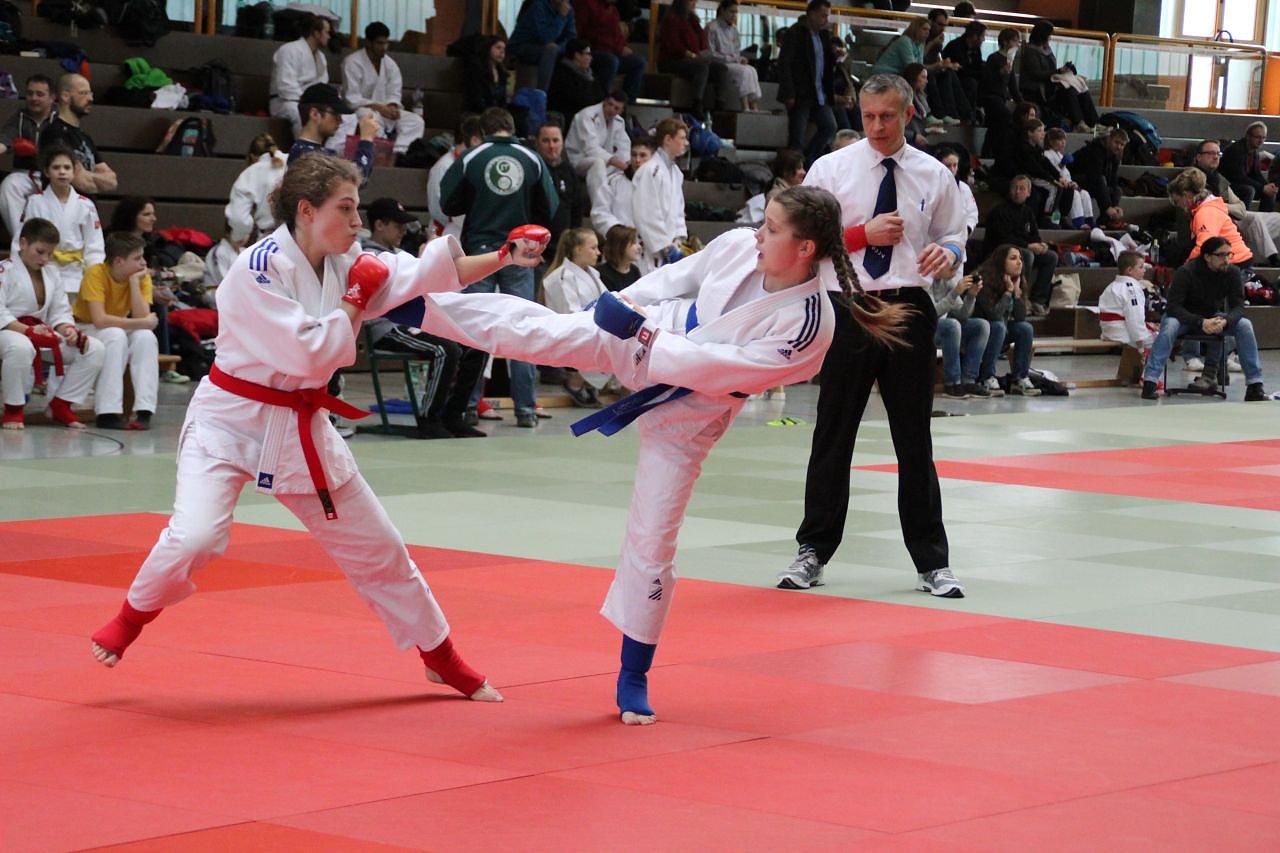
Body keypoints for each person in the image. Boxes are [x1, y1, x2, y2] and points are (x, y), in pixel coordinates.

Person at [420, 185, 906, 724]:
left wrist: (641, 331)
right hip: (652, 331)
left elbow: (717, 371)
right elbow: (676, 278)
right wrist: (626, 304)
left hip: (689, 412)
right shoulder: (738, 247)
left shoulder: (810, 326)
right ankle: (413, 305)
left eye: (771, 229)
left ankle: (634, 673)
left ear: (805, 248)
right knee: (539, 330)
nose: (757, 236)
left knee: (652, 539)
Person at [87, 153, 552, 698]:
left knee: (379, 547)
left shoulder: (344, 258)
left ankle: (439, 654)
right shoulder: (256, 270)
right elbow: (310, 354)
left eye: (357, 209)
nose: (357, 221)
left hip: (300, 427)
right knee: (196, 536)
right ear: (307, 211)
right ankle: (131, 617)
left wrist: (504, 256)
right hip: (229, 421)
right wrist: (355, 301)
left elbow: (419, 275)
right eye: (346, 209)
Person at [778, 73, 968, 599]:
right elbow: (804, 242)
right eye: (868, 116)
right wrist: (864, 234)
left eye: (887, 116)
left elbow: (955, 234)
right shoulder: (831, 169)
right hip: (848, 303)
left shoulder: (934, 174)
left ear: (909, 114)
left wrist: (950, 253)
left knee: (914, 438)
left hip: (909, 306)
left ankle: (932, 562)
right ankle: (812, 550)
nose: (878, 126)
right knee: (833, 432)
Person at [440, 107, 558, 428]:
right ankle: (526, 408)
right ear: (511, 128)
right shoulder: (531, 158)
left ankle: (466, 405)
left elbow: (448, 203)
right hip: (520, 248)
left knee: (475, 327)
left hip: (480, 250)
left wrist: (477, 200)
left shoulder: (471, 157)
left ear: (484, 129)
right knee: (522, 326)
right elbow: (550, 206)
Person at [360, 196, 487, 439]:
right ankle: (429, 419)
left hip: (415, 320)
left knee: (475, 344)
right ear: (379, 225)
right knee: (445, 350)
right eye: (397, 225)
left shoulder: (400, 254)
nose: (403, 230)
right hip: (387, 326)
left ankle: (453, 415)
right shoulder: (367, 256)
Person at [0, 217, 104, 430]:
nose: (45, 259)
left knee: (93, 348)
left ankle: (61, 404)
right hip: (8, 331)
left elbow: (60, 311)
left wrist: (67, 329)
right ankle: (13, 410)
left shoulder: (52, 273)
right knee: (21, 346)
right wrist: (28, 331)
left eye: (50, 253)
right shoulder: (4, 270)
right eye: (40, 252)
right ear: (23, 243)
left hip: (40, 332)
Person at [1140, 236, 1267, 401]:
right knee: (1169, 326)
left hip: (1212, 316)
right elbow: (1173, 307)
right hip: (1182, 317)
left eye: (1229, 254)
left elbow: (1238, 307)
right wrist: (1201, 322)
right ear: (1207, 257)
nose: (1227, 259)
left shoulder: (1232, 272)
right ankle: (1150, 381)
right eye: (1221, 255)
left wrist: (1226, 321)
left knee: (1245, 325)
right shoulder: (1186, 271)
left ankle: (1255, 385)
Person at [72, 232, 159, 430]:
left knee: (145, 337)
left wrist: (134, 283)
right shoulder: (95, 274)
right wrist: (142, 322)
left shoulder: (140, 276)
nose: (143, 263)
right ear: (119, 261)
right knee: (115, 335)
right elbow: (100, 320)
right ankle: (107, 412)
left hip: (117, 325)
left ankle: (144, 410)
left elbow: (141, 317)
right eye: (137, 258)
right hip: (86, 327)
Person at [106, 197, 190, 385]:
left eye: (153, 213)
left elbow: (145, 274)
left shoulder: (148, 242)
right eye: (146, 214)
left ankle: (164, 363)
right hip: (115, 291)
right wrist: (149, 289)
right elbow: (117, 273)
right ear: (132, 216)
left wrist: (158, 288)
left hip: (137, 288)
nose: (153, 218)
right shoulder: (113, 240)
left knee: (160, 305)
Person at [16, 145, 104, 302]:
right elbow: (22, 240)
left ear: (74, 172)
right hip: (44, 269)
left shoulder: (85, 205)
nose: (62, 172)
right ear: (46, 172)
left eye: (67, 167)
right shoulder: (36, 202)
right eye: (56, 167)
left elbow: (94, 244)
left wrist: (93, 275)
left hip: (76, 274)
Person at [541, 226, 606, 406]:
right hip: (569, 331)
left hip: (592, 326)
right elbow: (569, 315)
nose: (598, 252)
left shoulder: (593, 274)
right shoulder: (561, 277)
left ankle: (584, 383)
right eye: (593, 248)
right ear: (578, 250)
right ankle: (575, 382)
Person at [341, 21, 426, 155]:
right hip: (363, 110)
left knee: (416, 121)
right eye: (380, 43)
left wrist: (393, 106)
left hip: (386, 112)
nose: (384, 47)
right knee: (367, 117)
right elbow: (351, 98)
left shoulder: (390, 64)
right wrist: (378, 107)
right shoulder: (352, 62)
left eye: (386, 43)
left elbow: (394, 92)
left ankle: (399, 153)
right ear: (368, 43)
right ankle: (379, 151)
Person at [1192, 139, 1280, 266]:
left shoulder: (1218, 178)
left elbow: (1240, 207)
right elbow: (1201, 205)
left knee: (1277, 219)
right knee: (1253, 219)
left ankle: (1263, 259)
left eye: (1218, 153)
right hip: (1214, 222)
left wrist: (1221, 205)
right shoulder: (1191, 178)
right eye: (1210, 153)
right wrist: (1221, 207)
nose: (1215, 157)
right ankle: (1272, 259)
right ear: (1198, 157)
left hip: (1231, 216)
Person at [981, 174, 1059, 315]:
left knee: (1051, 257)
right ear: (1009, 190)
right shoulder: (999, 211)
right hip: (998, 252)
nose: (1017, 192)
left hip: (1022, 249)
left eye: (1022, 189)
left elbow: (1034, 235)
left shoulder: (1028, 212)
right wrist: (1028, 246)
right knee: (1026, 256)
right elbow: (1004, 238)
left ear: (1028, 193)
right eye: (1015, 188)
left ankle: (1038, 300)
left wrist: (1041, 245)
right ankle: (1022, 299)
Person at [973, 244, 1039, 396]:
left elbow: (1021, 317)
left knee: (1025, 328)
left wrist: (1016, 293)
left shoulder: (1016, 280)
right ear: (1001, 261)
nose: (1019, 262)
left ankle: (1019, 378)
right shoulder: (984, 279)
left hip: (1000, 330)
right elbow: (994, 315)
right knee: (998, 326)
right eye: (1013, 258)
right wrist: (1008, 292)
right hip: (979, 333)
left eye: (1020, 258)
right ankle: (986, 377)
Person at [777, 0, 837, 166]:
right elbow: (785, 63)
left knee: (830, 126)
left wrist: (835, 55)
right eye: (823, 16)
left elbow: (827, 65)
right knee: (797, 136)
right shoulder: (795, 33)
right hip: (800, 93)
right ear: (811, 14)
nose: (826, 20)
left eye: (827, 16)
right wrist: (789, 92)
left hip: (819, 93)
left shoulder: (824, 36)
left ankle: (810, 160)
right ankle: (792, 168)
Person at [38, 74, 118, 198]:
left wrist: (89, 176)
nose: (90, 99)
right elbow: (82, 182)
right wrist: (98, 180)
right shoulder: (54, 133)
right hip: (63, 205)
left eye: (90, 94)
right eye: (83, 93)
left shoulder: (85, 137)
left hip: (87, 207)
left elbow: (112, 182)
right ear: (65, 96)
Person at [288, 83, 379, 187]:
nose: (341, 121)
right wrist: (366, 140)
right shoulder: (305, 155)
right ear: (314, 114)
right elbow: (354, 180)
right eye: (335, 114)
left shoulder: (312, 151)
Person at [0, 74, 57, 238]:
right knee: (10, 185)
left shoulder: (60, 120)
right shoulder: (19, 118)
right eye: (30, 93)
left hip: (53, 175)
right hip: (24, 174)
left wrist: (37, 151)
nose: (34, 98)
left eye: (40, 94)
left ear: (52, 97)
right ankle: (22, 241)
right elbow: (3, 142)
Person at [1017, 20, 1100, 132]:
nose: (1050, 38)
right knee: (1069, 90)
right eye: (1049, 35)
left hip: (1051, 86)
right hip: (1039, 91)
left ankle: (1094, 123)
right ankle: (1079, 122)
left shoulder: (1047, 49)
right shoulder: (1030, 52)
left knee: (1079, 88)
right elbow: (1036, 74)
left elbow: (1052, 70)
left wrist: (1066, 71)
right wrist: (1059, 71)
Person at [632, 117, 689, 273]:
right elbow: (645, 213)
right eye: (682, 138)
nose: (686, 143)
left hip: (670, 247)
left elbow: (679, 211)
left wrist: (678, 239)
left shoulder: (676, 173)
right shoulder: (649, 171)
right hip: (650, 250)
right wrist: (664, 247)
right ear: (668, 139)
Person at [1168, 167, 1253, 270]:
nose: (1178, 205)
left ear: (1186, 196)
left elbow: (1204, 246)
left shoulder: (1205, 212)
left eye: (1176, 201)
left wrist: (1185, 269)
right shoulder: (1206, 206)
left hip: (1234, 262)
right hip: (1231, 259)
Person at [565, 90, 632, 221]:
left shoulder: (619, 122)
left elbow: (624, 146)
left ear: (621, 110)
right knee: (598, 163)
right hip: (578, 160)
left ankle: (619, 211)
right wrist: (615, 161)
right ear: (605, 102)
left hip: (605, 161)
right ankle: (601, 210)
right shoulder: (586, 115)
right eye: (610, 104)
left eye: (616, 108)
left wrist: (627, 164)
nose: (612, 109)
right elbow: (591, 148)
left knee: (622, 172)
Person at [658, 0, 728, 120]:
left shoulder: (693, 21)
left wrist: (704, 53)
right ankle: (697, 104)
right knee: (701, 67)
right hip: (673, 60)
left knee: (721, 69)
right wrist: (688, 53)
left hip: (694, 58)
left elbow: (702, 42)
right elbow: (672, 44)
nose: (693, 4)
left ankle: (720, 105)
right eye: (691, 1)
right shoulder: (671, 20)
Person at [269, 12, 333, 140]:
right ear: (316, 33)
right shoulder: (289, 50)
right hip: (285, 101)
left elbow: (322, 85)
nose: (329, 36)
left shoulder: (321, 57)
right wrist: (307, 101)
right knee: (301, 112)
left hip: (312, 102)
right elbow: (286, 86)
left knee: (347, 117)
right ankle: (305, 149)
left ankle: (331, 150)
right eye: (326, 32)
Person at [574, 0, 646, 103]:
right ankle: (601, 101)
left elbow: (618, 36)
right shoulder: (587, 4)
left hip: (612, 53)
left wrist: (623, 47)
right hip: (593, 53)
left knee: (639, 61)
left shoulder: (613, 10)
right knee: (611, 61)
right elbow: (581, 33)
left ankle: (625, 104)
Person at [932, 269, 988, 399]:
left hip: (945, 328)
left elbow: (962, 315)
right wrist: (955, 293)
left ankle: (968, 380)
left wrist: (971, 295)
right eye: (952, 268)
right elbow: (932, 313)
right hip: (924, 328)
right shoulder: (925, 281)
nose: (955, 272)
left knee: (981, 326)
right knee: (952, 325)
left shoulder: (948, 282)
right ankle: (952, 382)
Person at [427, 115, 482, 242]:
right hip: (447, 233)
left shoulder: (475, 164)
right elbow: (439, 210)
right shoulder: (444, 167)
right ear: (474, 140)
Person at [226, 134, 287, 245]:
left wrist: (238, 236)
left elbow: (239, 218)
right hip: (300, 237)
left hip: (269, 240)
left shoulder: (250, 173)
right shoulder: (293, 160)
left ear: (252, 156)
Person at [588, 134, 650, 237]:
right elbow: (600, 212)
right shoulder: (613, 182)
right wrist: (617, 230)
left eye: (643, 155)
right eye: (634, 155)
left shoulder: (662, 186)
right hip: (619, 241)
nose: (637, 160)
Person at [508, 0, 577, 91]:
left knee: (566, 52)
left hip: (547, 48)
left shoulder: (569, 10)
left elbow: (571, 37)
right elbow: (545, 37)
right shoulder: (539, 5)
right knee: (551, 49)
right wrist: (561, 17)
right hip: (523, 45)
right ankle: (541, 93)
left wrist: (560, 48)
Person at [706, 1, 762, 112]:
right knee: (744, 72)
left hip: (732, 62)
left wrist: (739, 58)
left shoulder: (734, 30)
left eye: (736, 12)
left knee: (752, 70)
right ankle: (745, 105)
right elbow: (710, 53)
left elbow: (736, 51)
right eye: (731, 12)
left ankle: (754, 105)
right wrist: (732, 58)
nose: (734, 15)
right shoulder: (712, 28)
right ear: (723, 11)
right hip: (719, 64)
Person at [1098, 250, 1155, 356]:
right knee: (1162, 340)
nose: (1144, 270)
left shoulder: (1112, 286)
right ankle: (1151, 367)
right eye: (1141, 267)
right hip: (1123, 333)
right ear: (1129, 270)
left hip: (1109, 331)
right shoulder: (1131, 289)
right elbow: (1135, 317)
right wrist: (1140, 344)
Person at [1043, 126, 1093, 228]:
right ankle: (1078, 223)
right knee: (1075, 194)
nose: (1063, 143)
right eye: (1059, 140)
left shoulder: (1060, 155)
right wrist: (1061, 165)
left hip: (1066, 183)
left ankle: (1090, 221)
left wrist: (1072, 182)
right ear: (1051, 141)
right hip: (1054, 184)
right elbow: (1051, 172)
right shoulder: (1046, 154)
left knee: (1084, 193)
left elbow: (1066, 175)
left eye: (1064, 140)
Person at [1221, 122, 1276, 213]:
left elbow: (1256, 174)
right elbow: (1239, 177)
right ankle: (1241, 218)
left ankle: (1264, 219)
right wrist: (1262, 187)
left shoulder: (1254, 150)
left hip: (1242, 183)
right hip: (1227, 186)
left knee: (1269, 193)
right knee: (1249, 190)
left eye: (1263, 137)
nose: (1261, 141)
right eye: (1258, 137)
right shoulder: (1236, 150)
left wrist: (1267, 186)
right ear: (1248, 136)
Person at [547, 38, 605, 123]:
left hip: (588, 114)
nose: (591, 58)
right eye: (588, 54)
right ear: (577, 55)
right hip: (572, 117)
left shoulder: (589, 73)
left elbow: (601, 94)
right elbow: (581, 100)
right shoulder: (562, 74)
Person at [1071, 126, 1127, 213]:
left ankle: (1112, 213)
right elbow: (1095, 177)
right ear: (1109, 139)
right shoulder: (1095, 150)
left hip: (1094, 182)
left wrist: (1115, 205)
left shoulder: (1115, 157)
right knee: (1101, 180)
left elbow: (1113, 182)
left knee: (1117, 190)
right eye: (1116, 142)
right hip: (1074, 179)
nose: (1119, 147)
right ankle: (1108, 211)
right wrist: (1107, 206)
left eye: (1122, 145)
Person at [597, 223, 642, 291]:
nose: (639, 247)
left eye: (638, 243)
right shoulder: (603, 274)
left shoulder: (635, 270)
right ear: (620, 246)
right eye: (634, 243)